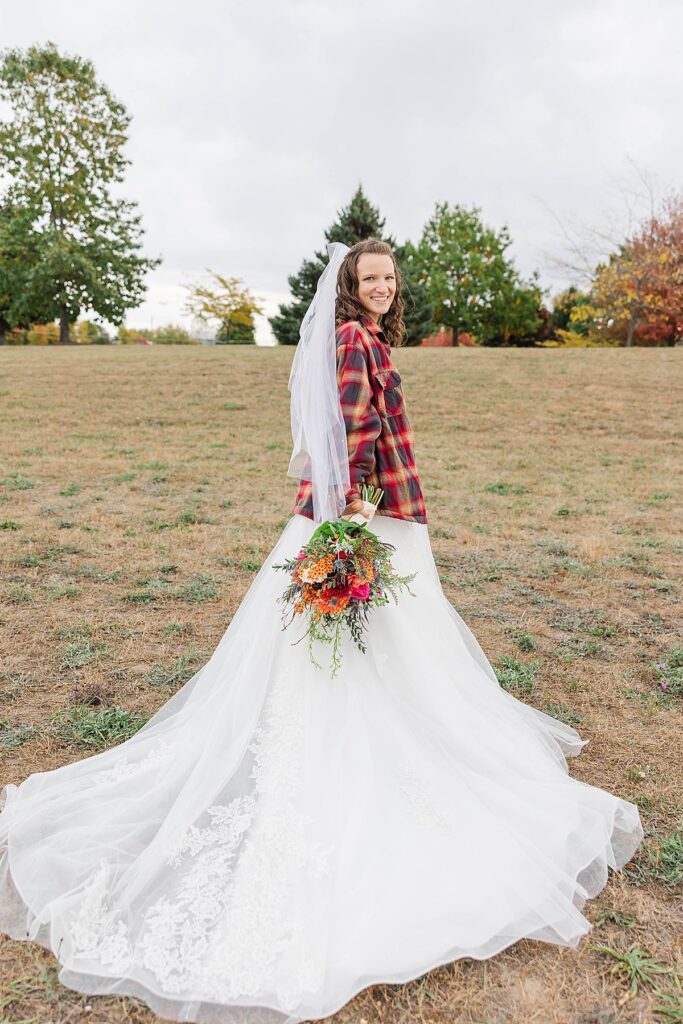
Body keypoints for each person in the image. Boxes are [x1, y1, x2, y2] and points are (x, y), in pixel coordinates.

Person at [0, 238, 644, 1024]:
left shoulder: (367, 338)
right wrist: (355, 519)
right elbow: (349, 429)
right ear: (347, 287)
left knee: (400, 646)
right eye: (368, 278)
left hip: (379, 506)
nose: (380, 287)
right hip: (367, 512)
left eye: (388, 278)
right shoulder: (349, 340)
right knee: (374, 641)